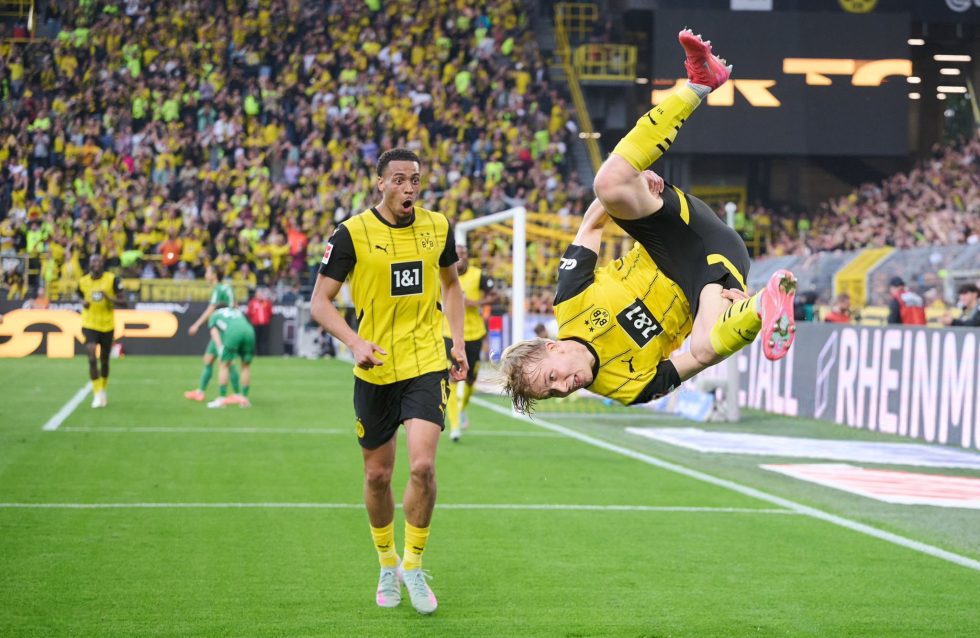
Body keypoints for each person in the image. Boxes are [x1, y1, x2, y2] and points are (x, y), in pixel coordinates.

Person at [499, 30, 797, 414]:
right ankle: (762, 305)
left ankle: (699, 83)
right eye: (554, 393)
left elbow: (591, 226)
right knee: (705, 346)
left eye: (552, 377)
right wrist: (738, 318)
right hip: (706, 279)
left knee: (608, 183)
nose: (564, 387)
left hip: (672, 237)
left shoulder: (569, 302)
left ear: (553, 347)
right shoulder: (627, 389)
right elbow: (698, 359)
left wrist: (634, 180)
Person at [310, 148, 468, 615]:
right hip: (375, 367)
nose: (408, 187)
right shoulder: (351, 233)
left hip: (425, 363)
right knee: (377, 475)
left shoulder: (438, 226)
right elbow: (320, 302)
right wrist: (354, 342)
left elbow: (452, 285)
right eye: (398, 179)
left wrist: (457, 343)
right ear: (380, 183)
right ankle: (387, 563)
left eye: (414, 179)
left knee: (422, 467)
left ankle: (413, 566)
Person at [441, 244, 498, 442]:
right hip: (449, 333)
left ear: (467, 257)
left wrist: (475, 303)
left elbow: (495, 295)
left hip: (473, 334)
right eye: (456, 254)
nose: (460, 258)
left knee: (471, 380)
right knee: (452, 378)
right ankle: (455, 426)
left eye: (463, 254)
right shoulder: (443, 274)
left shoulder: (478, 275)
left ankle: (462, 409)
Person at [184, 265, 242, 402]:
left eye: (208, 272)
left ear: (214, 275)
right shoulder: (227, 287)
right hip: (230, 326)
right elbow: (235, 306)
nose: (205, 274)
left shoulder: (218, 289)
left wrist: (196, 325)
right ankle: (200, 392)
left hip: (223, 329)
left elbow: (211, 309)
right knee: (209, 359)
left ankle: (238, 395)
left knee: (229, 362)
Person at [78, 254, 126, 408]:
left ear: (102, 263)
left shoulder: (112, 280)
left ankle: (103, 389)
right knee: (92, 356)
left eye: (99, 261)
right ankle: (97, 393)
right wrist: (82, 302)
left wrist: (109, 298)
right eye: (93, 261)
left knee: (104, 360)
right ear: (90, 264)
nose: (96, 264)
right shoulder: (83, 281)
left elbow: (124, 302)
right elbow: (78, 295)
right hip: (89, 324)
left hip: (107, 325)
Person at [206, 306, 256, 408]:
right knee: (245, 366)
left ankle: (222, 400)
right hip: (249, 330)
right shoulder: (236, 311)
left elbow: (214, 331)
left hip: (233, 332)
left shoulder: (215, 315)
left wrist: (220, 347)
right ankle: (244, 400)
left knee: (224, 364)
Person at [246, 288, 273, 356]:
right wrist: (254, 320)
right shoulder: (252, 302)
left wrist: (266, 319)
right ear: (256, 295)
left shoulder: (267, 302)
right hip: (256, 324)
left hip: (265, 324)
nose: (260, 296)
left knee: (264, 340)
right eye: (258, 294)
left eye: (261, 294)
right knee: (255, 339)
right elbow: (249, 313)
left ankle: (263, 354)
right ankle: (256, 354)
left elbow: (270, 313)